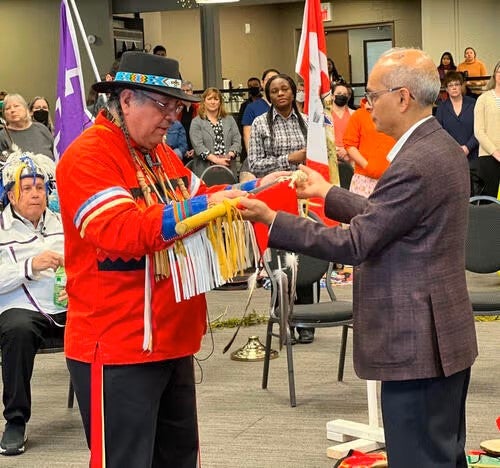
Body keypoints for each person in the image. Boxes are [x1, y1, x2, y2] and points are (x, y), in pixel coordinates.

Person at [239, 47, 478, 468]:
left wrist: (275, 221)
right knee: (442, 454)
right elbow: (394, 216)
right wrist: (326, 193)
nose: (366, 104)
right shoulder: (438, 145)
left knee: (420, 458)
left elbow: (356, 243)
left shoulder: (415, 161)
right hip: (440, 334)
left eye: (373, 94)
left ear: (402, 98)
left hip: (416, 340)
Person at [55, 51, 278, 468]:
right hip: (118, 344)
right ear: (126, 100)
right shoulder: (88, 156)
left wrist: (261, 186)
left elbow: (203, 197)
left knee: (177, 459)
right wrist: (206, 206)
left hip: (171, 338)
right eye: (163, 105)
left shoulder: (158, 152)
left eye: (176, 107)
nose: (173, 118)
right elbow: (122, 231)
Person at [0, 150, 66, 456]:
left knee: (104, 317)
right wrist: (30, 266)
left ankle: (107, 408)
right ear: (12, 195)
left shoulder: (63, 224)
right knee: (18, 329)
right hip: (22, 312)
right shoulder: (2, 230)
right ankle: (15, 420)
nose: (35, 194)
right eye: (27, 188)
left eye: (40, 187)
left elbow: (88, 260)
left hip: (67, 307)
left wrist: (77, 281)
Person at [248, 73, 317, 344]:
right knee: (280, 259)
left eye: (285, 89)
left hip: (303, 197)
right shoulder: (260, 124)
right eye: (274, 91)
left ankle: (307, 319)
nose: (280, 94)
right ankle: (282, 316)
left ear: (293, 91)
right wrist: (289, 159)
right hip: (274, 198)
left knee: (307, 253)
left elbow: (319, 156)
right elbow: (254, 163)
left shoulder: (307, 122)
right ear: (268, 96)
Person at [343, 97, 395, 197]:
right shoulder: (359, 115)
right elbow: (349, 144)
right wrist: (367, 166)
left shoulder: (395, 114)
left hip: (393, 178)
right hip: (364, 179)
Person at [189, 87, 241, 178]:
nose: (213, 102)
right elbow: (198, 146)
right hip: (204, 171)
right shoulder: (196, 122)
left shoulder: (230, 120)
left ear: (220, 102)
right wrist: (216, 160)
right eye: (209, 99)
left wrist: (230, 155)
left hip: (228, 168)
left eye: (216, 99)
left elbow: (237, 140)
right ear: (204, 101)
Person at [435, 71, 478, 165]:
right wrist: (453, 149)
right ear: (446, 88)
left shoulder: (473, 104)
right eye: (450, 85)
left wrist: (467, 147)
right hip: (449, 156)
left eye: (457, 84)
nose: (454, 87)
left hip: (473, 155)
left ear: (461, 86)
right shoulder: (441, 108)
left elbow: (479, 129)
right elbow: (439, 132)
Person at [474, 60, 500, 197]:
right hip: (488, 157)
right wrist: (495, 152)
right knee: (490, 203)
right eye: (499, 71)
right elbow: (479, 131)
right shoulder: (483, 99)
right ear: (494, 75)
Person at [0, 94, 54, 160]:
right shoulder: (2, 136)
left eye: (16, 106)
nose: (12, 110)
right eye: (8, 108)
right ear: (4, 114)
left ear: (26, 109)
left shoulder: (42, 129)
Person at [241, 68, 279, 151]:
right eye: (269, 79)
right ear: (262, 83)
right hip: (261, 155)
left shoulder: (285, 106)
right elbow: (247, 136)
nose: (272, 82)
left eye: (275, 79)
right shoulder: (252, 107)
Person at [331, 82, 355, 162]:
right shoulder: (325, 116)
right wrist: (336, 151)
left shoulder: (354, 114)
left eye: (345, 94)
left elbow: (359, 137)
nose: (342, 95)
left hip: (351, 157)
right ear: (332, 96)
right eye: (339, 93)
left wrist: (346, 150)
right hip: (331, 158)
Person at [177, 80, 199, 164]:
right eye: (183, 91)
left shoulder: (199, 107)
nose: (185, 92)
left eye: (188, 90)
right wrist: (183, 150)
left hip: (195, 146)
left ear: (192, 92)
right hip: (181, 147)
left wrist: (196, 149)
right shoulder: (176, 107)